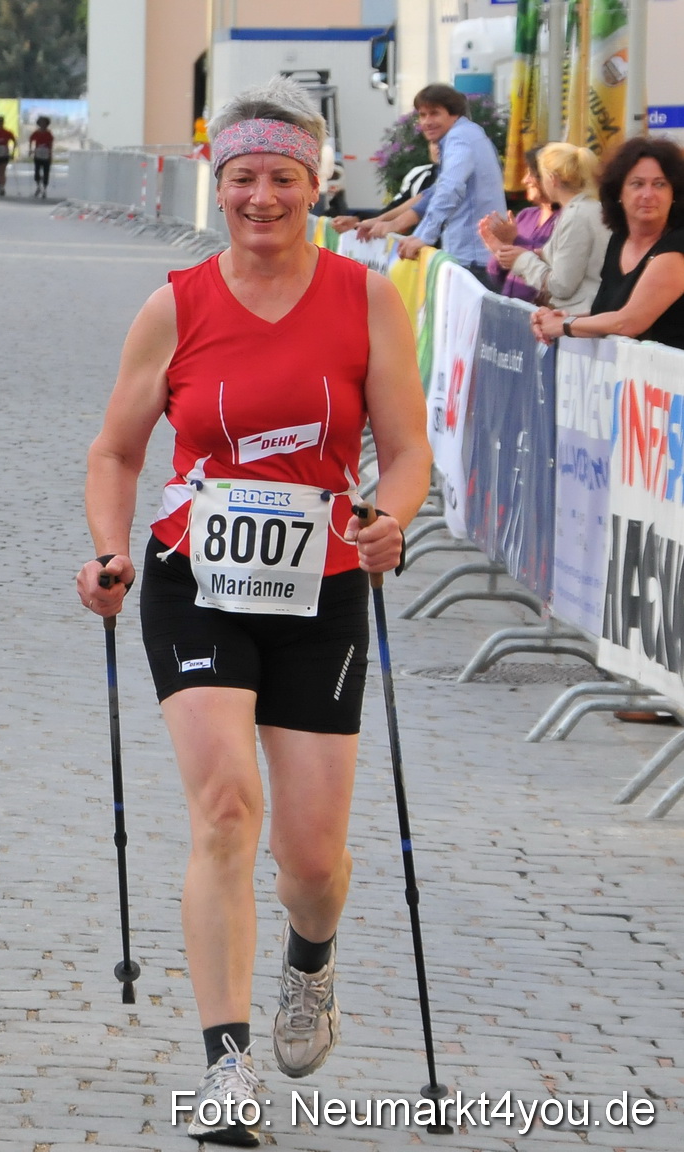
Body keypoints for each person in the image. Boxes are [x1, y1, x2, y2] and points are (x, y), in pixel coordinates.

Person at [74, 78, 430, 1146]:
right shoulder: (174, 304)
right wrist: (105, 549)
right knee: (226, 809)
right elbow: (115, 451)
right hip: (196, 578)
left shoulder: (365, 298)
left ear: (316, 182)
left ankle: (309, 961)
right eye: (242, 178)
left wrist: (392, 521)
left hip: (321, 584)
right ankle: (224, 1069)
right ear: (215, 183)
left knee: (313, 862)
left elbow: (405, 452)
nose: (261, 198)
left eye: (282, 177)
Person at [533, 135, 684, 350]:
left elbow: (629, 322)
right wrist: (556, 319)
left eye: (660, 184)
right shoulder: (619, 239)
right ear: (618, 192)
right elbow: (607, 313)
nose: (648, 194)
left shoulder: (677, 247)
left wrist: (564, 325)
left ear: (674, 194)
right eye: (637, 184)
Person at [394, 85, 506, 282]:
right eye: (422, 115)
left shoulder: (459, 138)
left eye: (434, 114)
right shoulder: (470, 133)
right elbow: (438, 191)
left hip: (473, 259)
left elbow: (450, 188)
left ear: (454, 114)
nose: (427, 122)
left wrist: (424, 236)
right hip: (480, 255)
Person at [488, 143, 608, 313]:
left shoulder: (575, 216)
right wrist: (537, 255)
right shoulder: (588, 208)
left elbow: (561, 286)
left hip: (578, 320)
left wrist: (523, 260)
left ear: (553, 179)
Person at [478, 148, 557, 303]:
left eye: (531, 174)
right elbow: (498, 279)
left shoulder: (567, 219)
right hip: (513, 312)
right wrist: (499, 250)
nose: (525, 180)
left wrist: (515, 241)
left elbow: (555, 263)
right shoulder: (527, 215)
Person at [330, 141, 437, 238]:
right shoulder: (420, 175)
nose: (438, 148)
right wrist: (359, 221)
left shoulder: (449, 180)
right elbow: (397, 207)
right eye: (434, 142)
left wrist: (392, 224)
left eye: (445, 141)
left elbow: (424, 202)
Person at [29, 115, 55, 199]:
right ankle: (38, 187)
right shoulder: (36, 133)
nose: (42, 125)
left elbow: (51, 145)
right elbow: (31, 140)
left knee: (46, 172)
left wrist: (50, 155)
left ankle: (44, 189)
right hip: (38, 153)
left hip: (46, 154)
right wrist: (30, 150)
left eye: (44, 123)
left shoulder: (48, 133)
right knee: (37, 171)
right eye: (41, 123)